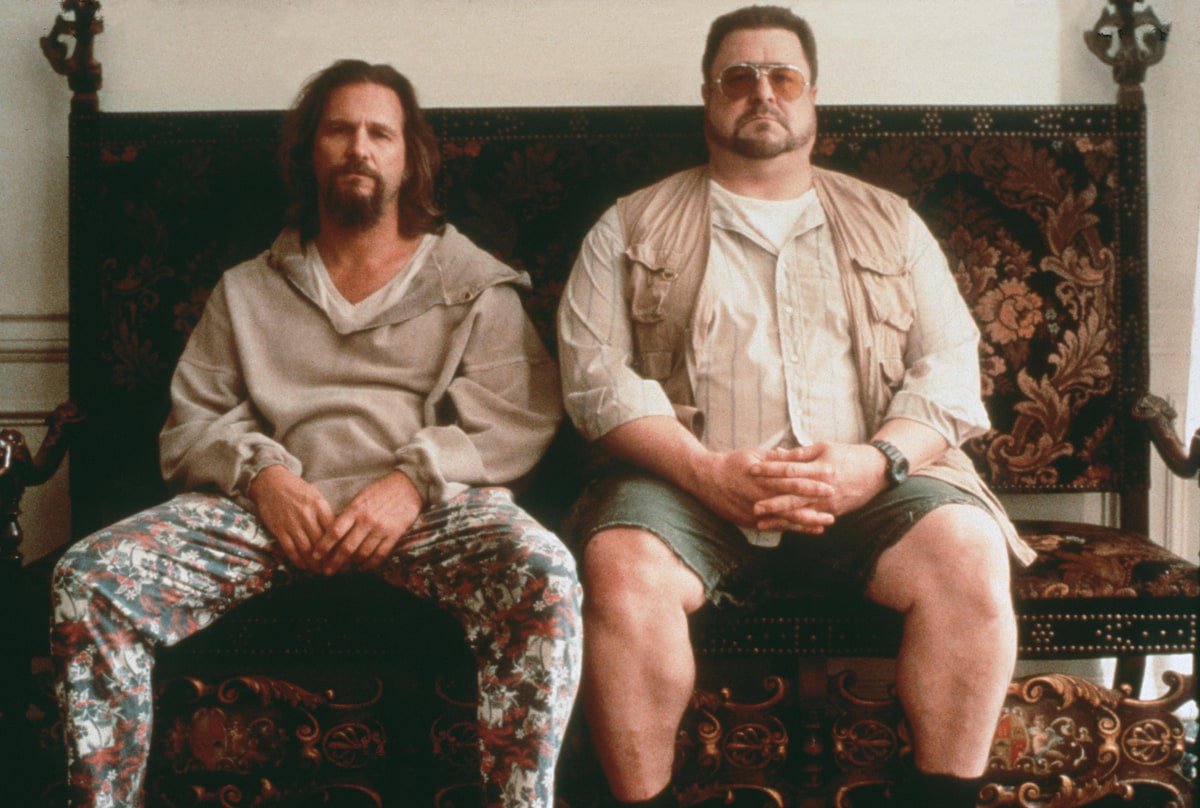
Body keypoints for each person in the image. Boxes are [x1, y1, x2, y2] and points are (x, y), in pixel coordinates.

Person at [51, 59, 581, 808]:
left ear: (410, 159)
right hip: (270, 515)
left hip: (424, 513)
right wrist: (263, 478)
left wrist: (412, 483)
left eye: (380, 134)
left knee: (545, 571)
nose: (358, 148)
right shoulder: (247, 288)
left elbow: (516, 415)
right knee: (89, 577)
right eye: (339, 131)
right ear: (309, 153)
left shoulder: (472, 282)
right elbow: (192, 422)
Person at [557, 7, 1036, 807]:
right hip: (687, 490)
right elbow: (593, 378)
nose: (762, 94)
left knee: (967, 550)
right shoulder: (630, 226)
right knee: (621, 563)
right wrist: (703, 472)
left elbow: (952, 368)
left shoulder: (891, 223)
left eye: (783, 77)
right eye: (738, 78)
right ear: (707, 96)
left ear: (812, 95)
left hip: (869, 489)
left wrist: (877, 462)